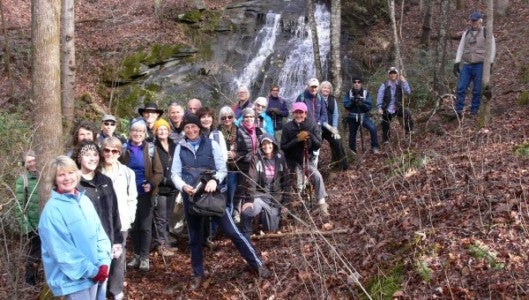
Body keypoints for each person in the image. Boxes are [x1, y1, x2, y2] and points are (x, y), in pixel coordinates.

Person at [170, 114, 271, 290]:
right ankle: (198, 274)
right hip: (191, 197)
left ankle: (258, 264)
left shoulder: (212, 144)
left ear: (199, 128)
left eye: (194, 127)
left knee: (232, 232)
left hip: (212, 196)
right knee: (194, 238)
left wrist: (214, 180)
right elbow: (174, 173)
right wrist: (183, 186)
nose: (191, 130)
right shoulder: (180, 147)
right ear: (184, 130)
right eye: (187, 128)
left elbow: (222, 168)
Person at [39, 156, 111, 299]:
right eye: (61, 175)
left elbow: (99, 234)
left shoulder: (85, 201)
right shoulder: (52, 211)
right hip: (73, 281)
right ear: (55, 180)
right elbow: (63, 253)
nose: (67, 178)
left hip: (96, 272)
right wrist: (92, 271)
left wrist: (103, 263)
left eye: (70, 172)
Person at [72, 140, 123, 300]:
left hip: (105, 243)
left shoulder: (105, 181)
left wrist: (117, 241)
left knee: (102, 286)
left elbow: (114, 212)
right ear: (79, 158)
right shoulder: (74, 184)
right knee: (86, 288)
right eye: (87, 154)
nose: (92, 158)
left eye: (95, 154)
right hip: (83, 246)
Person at [120, 119, 163, 272]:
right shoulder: (124, 149)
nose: (137, 133)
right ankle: (137, 255)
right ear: (130, 132)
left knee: (145, 226)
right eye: (134, 130)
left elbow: (159, 172)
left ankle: (144, 258)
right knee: (134, 226)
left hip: (145, 193)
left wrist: (151, 184)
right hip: (128, 195)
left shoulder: (150, 149)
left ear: (145, 133)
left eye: (141, 131)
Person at [101, 137, 138, 300]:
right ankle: (101, 288)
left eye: (114, 151)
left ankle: (116, 289)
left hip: (121, 221)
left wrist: (130, 217)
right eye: (107, 150)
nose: (110, 154)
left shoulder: (128, 173)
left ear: (119, 153)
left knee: (119, 255)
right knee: (101, 255)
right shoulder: (96, 172)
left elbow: (132, 197)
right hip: (100, 221)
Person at [280, 102, 329, 217]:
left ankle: (322, 205)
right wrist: (297, 139)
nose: (298, 115)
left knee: (316, 176)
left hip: (306, 158)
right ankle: (286, 207)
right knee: (286, 179)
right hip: (290, 159)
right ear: (293, 113)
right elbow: (283, 147)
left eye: (301, 112)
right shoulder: (288, 127)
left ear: (305, 113)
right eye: (296, 112)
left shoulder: (312, 125)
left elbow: (318, 145)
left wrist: (309, 135)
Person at [241, 134, 291, 240]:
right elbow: (251, 179)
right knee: (247, 212)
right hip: (260, 195)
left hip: (274, 198)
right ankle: (246, 235)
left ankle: (262, 218)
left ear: (273, 144)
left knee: (271, 230)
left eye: (268, 143)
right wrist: (249, 200)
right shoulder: (256, 158)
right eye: (263, 144)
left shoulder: (280, 158)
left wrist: (286, 203)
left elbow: (286, 182)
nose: (266, 146)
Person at [453, 11, 496, 117]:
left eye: (476, 21)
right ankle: (458, 111)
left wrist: (490, 62)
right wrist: (457, 62)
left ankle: (474, 111)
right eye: (472, 21)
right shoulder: (466, 33)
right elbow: (461, 48)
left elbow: (492, 47)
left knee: (477, 90)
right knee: (461, 87)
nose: (474, 23)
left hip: (480, 65)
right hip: (467, 65)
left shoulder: (487, 32)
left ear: (480, 21)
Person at [151, 118, 179, 257]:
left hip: (173, 187)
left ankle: (167, 243)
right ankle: (161, 245)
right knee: (160, 218)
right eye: (159, 129)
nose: (162, 131)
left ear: (169, 131)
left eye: (164, 129)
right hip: (160, 188)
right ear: (155, 132)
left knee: (168, 217)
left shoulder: (174, 146)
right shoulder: (153, 147)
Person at [14, 150, 41, 286]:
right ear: (25, 164)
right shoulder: (23, 180)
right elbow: (19, 206)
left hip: (47, 222)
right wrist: (28, 228)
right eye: (29, 161)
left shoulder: (44, 175)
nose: (32, 163)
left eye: (34, 159)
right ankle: (30, 280)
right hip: (33, 225)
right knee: (34, 253)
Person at [234, 108, 264, 222]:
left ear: (254, 117)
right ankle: (236, 214)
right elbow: (237, 152)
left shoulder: (259, 130)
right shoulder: (238, 131)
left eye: (251, 116)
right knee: (241, 190)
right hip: (243, 165)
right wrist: (249, 157)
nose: (249, 119)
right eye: (246, 117)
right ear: (243, 118)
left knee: (253, 190)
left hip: (257, 165)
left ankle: (249, 214)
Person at [376, 67, 414, 143]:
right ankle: (386, 139)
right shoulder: (384, 85)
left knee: (407, 114)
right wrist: (379, 108)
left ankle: (409, 131)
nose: (393, 75)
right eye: (391, 73)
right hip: (387, 108)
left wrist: (404, 82)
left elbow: (408, 92)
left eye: (394, 73)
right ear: (388, 75)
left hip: (397, 107)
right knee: (385, 122)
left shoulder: (401, 83)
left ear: (397, 74)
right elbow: (379, 97)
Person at [343, 77, 380, 154]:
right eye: (355, 82)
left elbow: (369, 106)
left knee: (373, 128)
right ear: (353, 84)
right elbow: (346, 105)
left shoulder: (366, 93)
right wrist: (353, 102)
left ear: (361, 83)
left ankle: (375, 147)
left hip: (363, 116)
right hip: (352, 116)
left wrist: (362, 104)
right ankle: (352, 150)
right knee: (352, 134)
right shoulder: (349, 93)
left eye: (358, 82)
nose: (357, 84)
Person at [319, 81, 349, 170]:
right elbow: (317, 116)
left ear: (330, 90)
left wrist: (334, 128)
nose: (326, 89)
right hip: (320, 127)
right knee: (315, 146)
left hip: (331, 128)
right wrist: (327, 126)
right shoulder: (317, 99)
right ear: (321, 88)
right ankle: (314, 168)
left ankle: (343, 167)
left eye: (328, 88)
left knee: (338, 142)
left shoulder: (332, 99)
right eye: (324, 87)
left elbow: (335, 114)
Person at [217, 106, 239, 217]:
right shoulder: (216, 131)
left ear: (233, 117)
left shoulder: (239, 130)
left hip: (233, 168)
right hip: (220, 167)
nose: (227, 120)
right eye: (224, 117)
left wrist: (236, 154)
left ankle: (229, 218)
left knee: (231, 194)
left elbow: (244, 148)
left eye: (229, 117)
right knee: (220, 195)